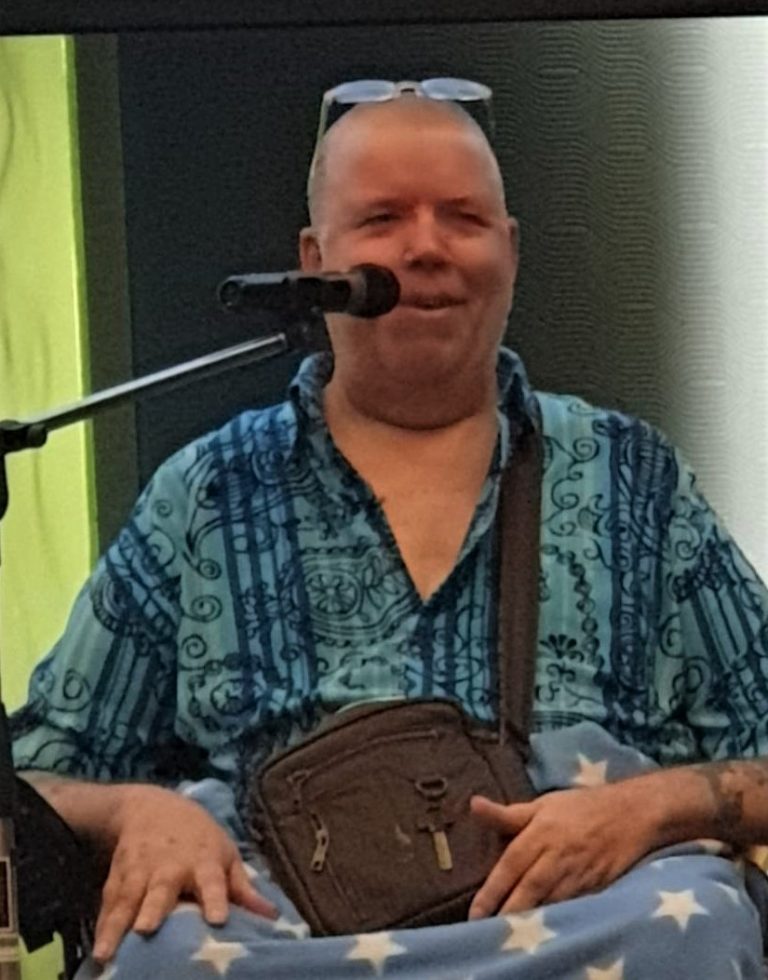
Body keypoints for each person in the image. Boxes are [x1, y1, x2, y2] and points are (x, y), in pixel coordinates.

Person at [11, 79, 768, 979]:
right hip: (280, 941)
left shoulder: (634, 479)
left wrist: (653, 807)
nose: (426, 247)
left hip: (591, 924)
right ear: (314, 259)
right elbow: (32, 780)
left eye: (463, 218)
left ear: (511, 250)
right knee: (157, 953)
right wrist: (138, 812)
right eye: (382, 219)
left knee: (694, 921)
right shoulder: (206, 493)